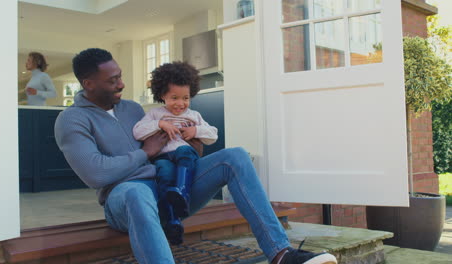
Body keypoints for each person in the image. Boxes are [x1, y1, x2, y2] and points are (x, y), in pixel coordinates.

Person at [54, 48, 337, 264]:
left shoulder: (130, 108)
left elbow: (166, 150)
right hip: (123, 200)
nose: (121, 84)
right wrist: (144, 153)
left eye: (120, 76)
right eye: (113, 80)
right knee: (135, 193)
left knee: (235, 157)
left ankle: (280, 253)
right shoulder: (72, 120)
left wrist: (192, 141)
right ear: (88, 83)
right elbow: (96, 174)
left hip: (168, 190)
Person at [132, 61, 218, 245]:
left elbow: (213, 135)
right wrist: (160, 124)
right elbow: (137, 131)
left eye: (185, 98)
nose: (180, 104)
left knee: (184, 151)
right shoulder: (155, 114)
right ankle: (173, 220)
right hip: (164, 157)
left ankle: (182, 191)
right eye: (174, 98)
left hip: (185, 155)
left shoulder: (194, 116)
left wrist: (196, 131)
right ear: (163, 95)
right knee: (163, 171)